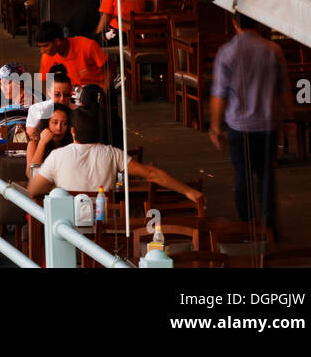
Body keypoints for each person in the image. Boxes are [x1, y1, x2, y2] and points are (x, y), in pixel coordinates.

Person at [28, 105, 204, 206]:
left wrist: (54, 185)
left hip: (67, 228)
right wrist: (188, 191)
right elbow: (152, 173)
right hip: (102, 225)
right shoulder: (113, 154)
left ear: (72, 131)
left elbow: (33, 189)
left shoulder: (57, 156)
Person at [209, 13, 288, 231]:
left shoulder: (227, 53)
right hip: (268, 125)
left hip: (239, 126)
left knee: (243, 176)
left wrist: (215, 127)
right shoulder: (274, 51)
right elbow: (283, 91)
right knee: (266, 175)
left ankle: (248, 226)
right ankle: (270, 227)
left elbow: (219, 94)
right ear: (258, 21)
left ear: (234, 23)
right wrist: (285, 118)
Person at [35, 20, 110, 87]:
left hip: (96, 90)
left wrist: (104, 92)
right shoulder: (47, 56)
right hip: (69, 95)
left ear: (57, 41)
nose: (42, 51)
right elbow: (44, 81)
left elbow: (110, 68)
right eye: (40, 47)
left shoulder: (87, 46)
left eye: (45, 46)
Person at [27, 104, 73, 178]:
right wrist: (42, 143)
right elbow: (31, 175)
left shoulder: (72, 146)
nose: (59, 128)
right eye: (55, 122)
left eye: (65, 123)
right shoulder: (33, 144)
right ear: (46, 123)